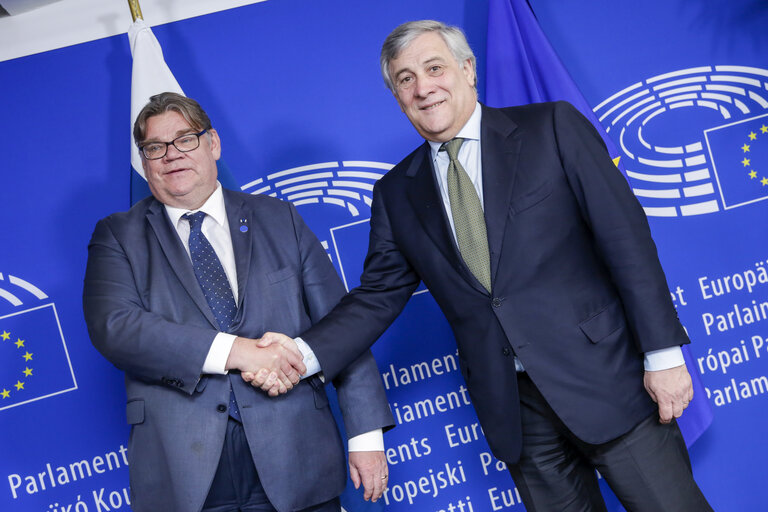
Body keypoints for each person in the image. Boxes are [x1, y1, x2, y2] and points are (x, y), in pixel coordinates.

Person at [254, 20, 713, 512]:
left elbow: (627, 242)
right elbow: (376, 298)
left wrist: (663, 355)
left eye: (434, 68)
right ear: (396, 95)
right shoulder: (396, 192)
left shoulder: (552, 128)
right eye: (405, 78)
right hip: (516, 412)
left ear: (468, 70)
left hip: (608, 382)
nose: (423, 87)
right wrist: (302, 353)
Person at [83, 92, 394, 512]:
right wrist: (239, 352)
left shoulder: (280, 217)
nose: (171, 155)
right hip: (185, 472)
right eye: (155, 147)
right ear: (144, 162)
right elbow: (115, 327)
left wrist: (365, 435)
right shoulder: (117, 236)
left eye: (185, 139)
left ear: (213, 144)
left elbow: (341, 327)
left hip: (296, 453)